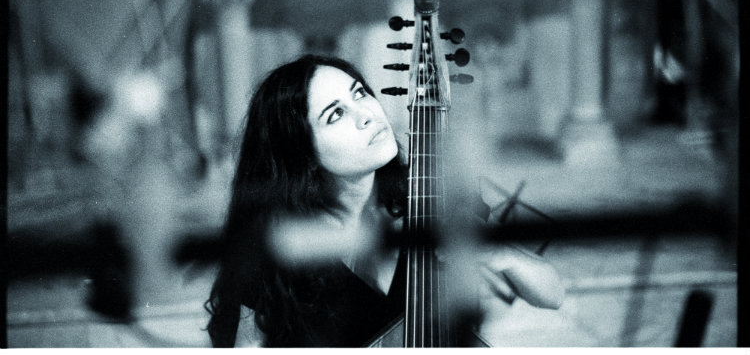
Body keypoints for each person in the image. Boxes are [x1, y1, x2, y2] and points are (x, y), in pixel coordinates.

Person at [205, 53, 564, 347]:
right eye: (336, 114)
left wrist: (500, 253)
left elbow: (552, 295)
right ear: (303, 155)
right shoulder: (282, 243)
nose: (367, 115)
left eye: (360, 93)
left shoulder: (433, 193)